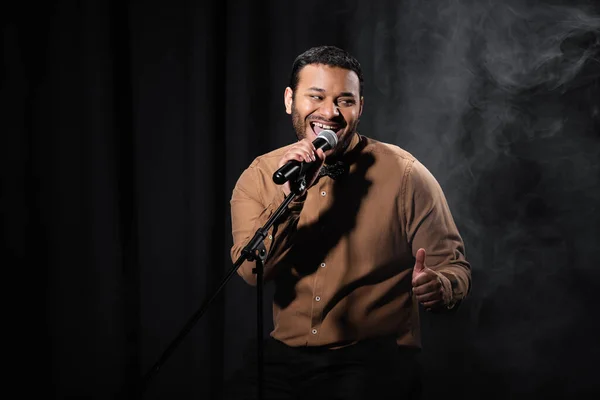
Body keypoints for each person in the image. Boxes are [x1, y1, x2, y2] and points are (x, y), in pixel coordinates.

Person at [226, 45, 471, 400]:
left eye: (345, 100)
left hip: (373, 358)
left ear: (360, 107)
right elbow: (252, 272)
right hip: (284, 359)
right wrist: (295, 194)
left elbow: (454, 266)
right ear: (289, 100)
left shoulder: (405, 175)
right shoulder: (263, 175)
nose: (330, 112)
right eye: (316, 96)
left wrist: (442, 285)